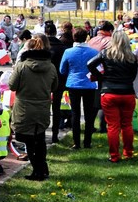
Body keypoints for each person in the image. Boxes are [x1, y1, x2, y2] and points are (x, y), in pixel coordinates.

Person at [8, 34, 58, 181]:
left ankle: (37, 169)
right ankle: (42, 168)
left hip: (24, 107)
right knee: (40, 138)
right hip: (42, 106)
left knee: (28, 140)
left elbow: (12, 85)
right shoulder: (51, 67)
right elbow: (54, 86)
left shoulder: (22, 66)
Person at [86, 31, 138, 162]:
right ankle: (128, 153)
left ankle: (114, 155)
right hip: (127, 92)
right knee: (127, 125)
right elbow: (133, 76)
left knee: (113, 126)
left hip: (109, 92)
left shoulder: (106, 53)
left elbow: (90, 64)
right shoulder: (132, 57)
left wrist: (100, 76)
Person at [59, 28, 99, 149]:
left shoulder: (68, 52)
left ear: (74, 38)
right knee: (89, 114)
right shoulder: (94, 52)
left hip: (73, 84)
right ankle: (87, 142)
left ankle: (76, 142)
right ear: (86, 37)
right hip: (89, 85)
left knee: (75, 113)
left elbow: (62, 70)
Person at [45, 22, 68, 144]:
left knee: (44, 107)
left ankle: (42, 133)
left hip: (44, 81)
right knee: (57, 108)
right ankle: (55, 134)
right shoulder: (63, 48)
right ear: (55, 33)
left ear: (45, 33)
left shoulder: (43, 47)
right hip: (59, 80)